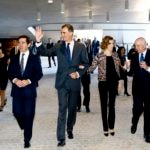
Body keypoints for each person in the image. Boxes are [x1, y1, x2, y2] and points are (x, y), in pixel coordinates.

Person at [35, 24, 89, 146]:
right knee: (62, 109)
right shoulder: (59, 46)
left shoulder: (81, 47)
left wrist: (78, 73)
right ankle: (61, 138)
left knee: (72, 108)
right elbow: (45, 52)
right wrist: (38, 41)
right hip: (62, 83)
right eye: (61, 32)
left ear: (71, 33)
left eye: (64, 32)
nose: (62, 35)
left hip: (74, 83)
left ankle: (69, 128)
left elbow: (86, 64)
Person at [8, 35, 43, 148]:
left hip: (29, 91)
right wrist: (15, 80)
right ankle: (24, 125)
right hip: (17, 90)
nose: (21, 45)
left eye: (23, 42)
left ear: (28, 44)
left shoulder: (34, 58)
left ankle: (27, 139)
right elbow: (9, 73)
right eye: (19, 43)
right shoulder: (13, 58)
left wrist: (28, 81)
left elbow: (39, 73)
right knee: (16, 112)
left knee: (29, 115)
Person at [88, 36, 120, 136]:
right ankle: (105, 127)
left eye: (113, 43)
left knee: (112, 106)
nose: (113, 45)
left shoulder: (115, 55)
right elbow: (92, 67)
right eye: (110, 43)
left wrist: (120, 81)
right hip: (103, 83)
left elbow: (118, 69)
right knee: (103, 106)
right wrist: (83, 69)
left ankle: (111, 127)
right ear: (106, 44)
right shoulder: (99, 56)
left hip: (113, 83)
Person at [127, 37, 150, 143]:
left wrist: (148, 68)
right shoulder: (134, 55)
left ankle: (147, 133)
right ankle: (134, 122)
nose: (136, 48)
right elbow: (131, 73)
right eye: (135, 45)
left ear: (145, 45)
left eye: (138, 45)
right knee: (137, 109)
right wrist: (127, 68)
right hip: (137, 89)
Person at [0, 47, 9, 111]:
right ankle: (4, 99)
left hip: (4, 76)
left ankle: (1, 105)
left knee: (2, 90)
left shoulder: (6, 58)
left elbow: (11, 66)